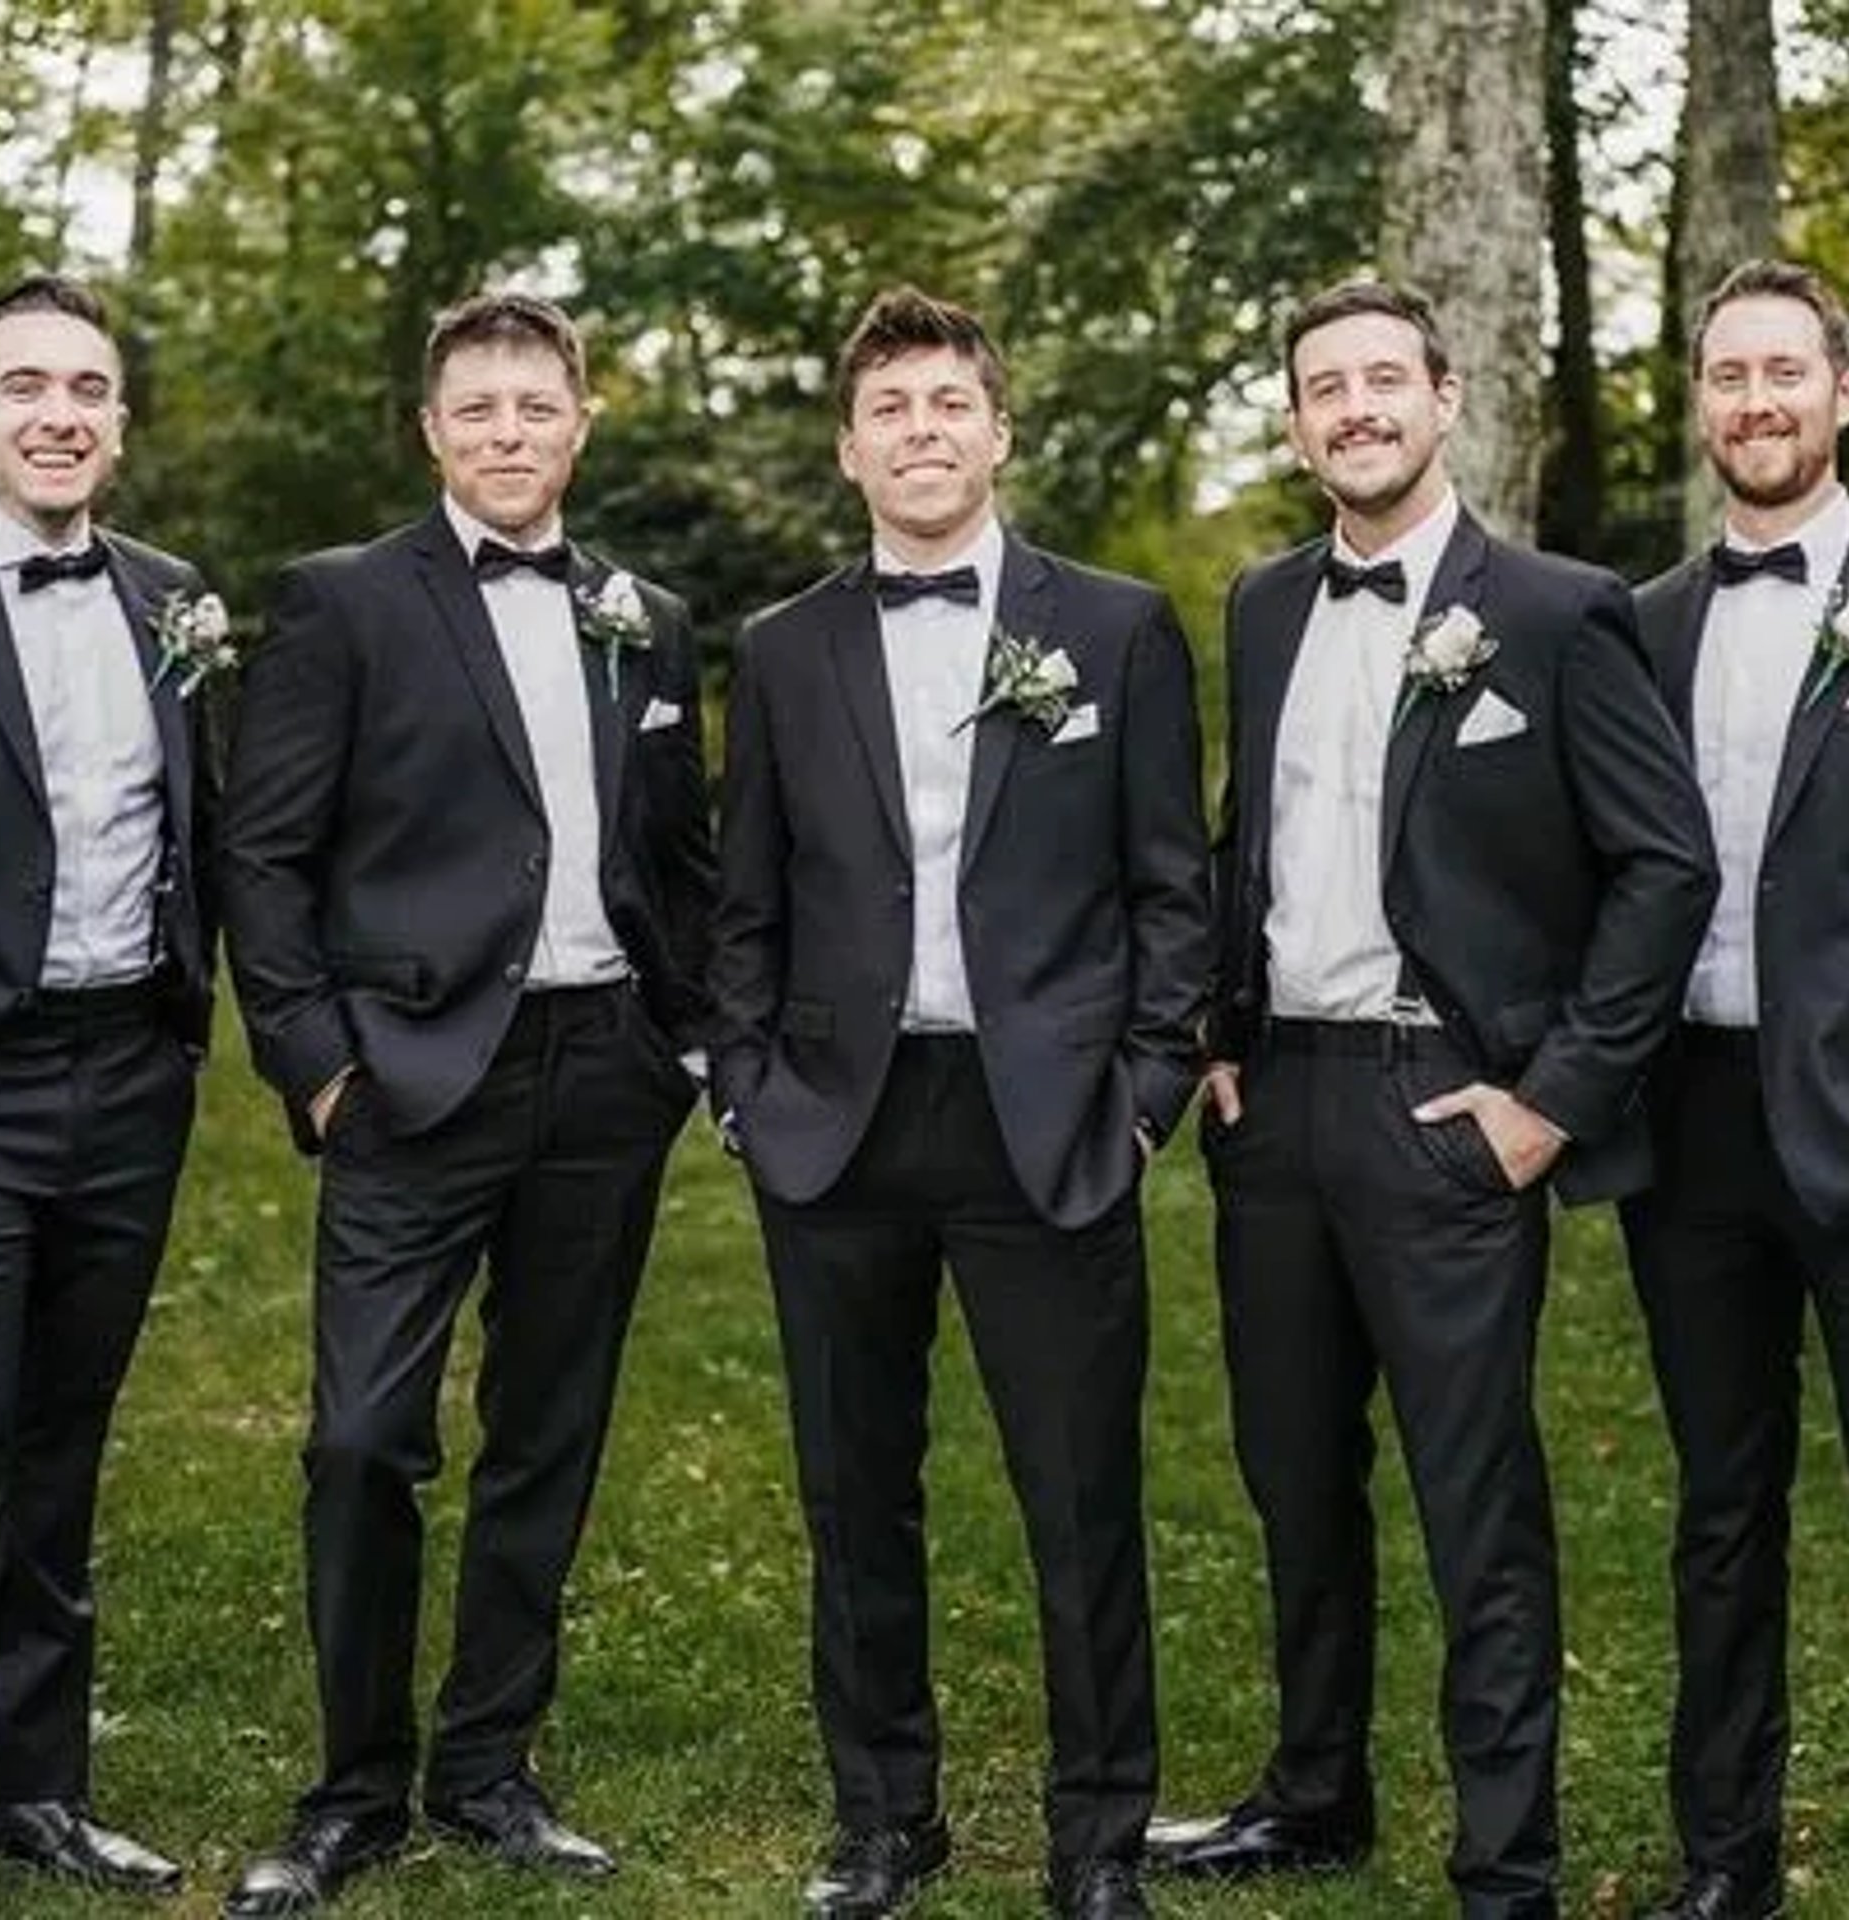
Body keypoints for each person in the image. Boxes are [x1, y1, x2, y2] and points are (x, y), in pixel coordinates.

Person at [1147, 280, 1717, 1919]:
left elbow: (1663, 864)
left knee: (1478, 1502)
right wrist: (1217, 1029)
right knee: (1293, 1475)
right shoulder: (1262, 602)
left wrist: (1550, 1100)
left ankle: (1505, 1861)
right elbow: (1242, 837)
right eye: (1325, 387)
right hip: (1279, 1116)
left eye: (1384, 379)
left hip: (1442, 1103)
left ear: (1445, 396)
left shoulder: (1549, 609)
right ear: (1299, 420)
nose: (1356, 409)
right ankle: (1313, 1793)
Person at [710, 285, 1211, 1920]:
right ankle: (886, 1823)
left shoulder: (1117, 630)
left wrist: (1141, 1096)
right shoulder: (784, 651)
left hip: (1048, 1119)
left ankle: (1098, 1840)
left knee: (1080, 1495)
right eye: (891, 411)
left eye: (949, 405)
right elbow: (748, 899)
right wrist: (747, 1092)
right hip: (840, 1124)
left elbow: (1168, 890)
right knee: (858, 1495)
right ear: (850, 452)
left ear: (998, 431)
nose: (923, 432)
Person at [218, 289, 714, 1916]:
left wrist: (689, 1042)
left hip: (603, 1077)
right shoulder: (346, 603)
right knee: (363, 1439)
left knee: (546, 1436)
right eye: (477, 410)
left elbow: (681, 860)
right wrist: (319, 1064)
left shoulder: (651, 617)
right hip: (413, 1079)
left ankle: (488, 1762)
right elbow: (266, 855)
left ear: (582, 422)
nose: (509, 434)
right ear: (432, 432)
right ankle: (353, 1785)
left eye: (536, 406)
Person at [0, 272, 220, 1893]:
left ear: (120, 422)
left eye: (91, 390)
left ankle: (24, 1788)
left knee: (61, 1442)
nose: (62, 414)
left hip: (130, 1072)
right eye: (28, 386)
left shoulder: (172, 600)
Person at [1621, 257, 1849, 1920]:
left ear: (1847, 392)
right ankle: (1726, 1861)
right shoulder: (1644, 625)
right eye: (1728, 376)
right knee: (1723, 1507)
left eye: (1787, 371)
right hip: (1691, 1126)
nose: (1755, 403)